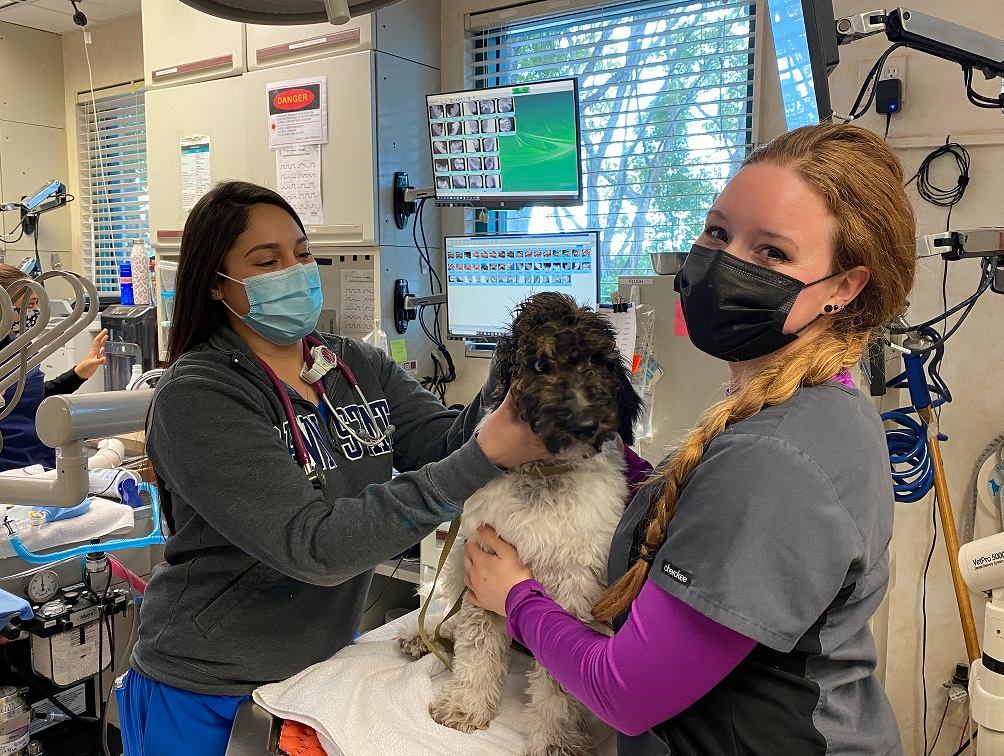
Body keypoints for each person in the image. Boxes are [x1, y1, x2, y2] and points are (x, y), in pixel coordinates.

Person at [464, 123, 914, 755]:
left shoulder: (773, 462)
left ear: (843, 288)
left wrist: (515, 597)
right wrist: (585, 441)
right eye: (718, 233)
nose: (728, 264)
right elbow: (703, 509)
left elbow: (624, 691)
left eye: (772, 253)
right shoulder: (820, 404)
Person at [116, 181, 549, 756]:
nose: (294, 272)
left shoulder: (353, 367)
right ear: (216, 284)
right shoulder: (199, 396)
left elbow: (446, 443)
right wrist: (483, 457)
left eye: (302, 254)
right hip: (208, 683)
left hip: (321, 667)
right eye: (267, 262)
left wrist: (510, 371)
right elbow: (314, 547)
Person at [0, 264, 108, 472]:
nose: (35, 312)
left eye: (36, 303)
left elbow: (31, 399)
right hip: (6, 471)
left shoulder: (22, 348)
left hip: (39, 465)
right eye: (30, 304)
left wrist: (77, 375)